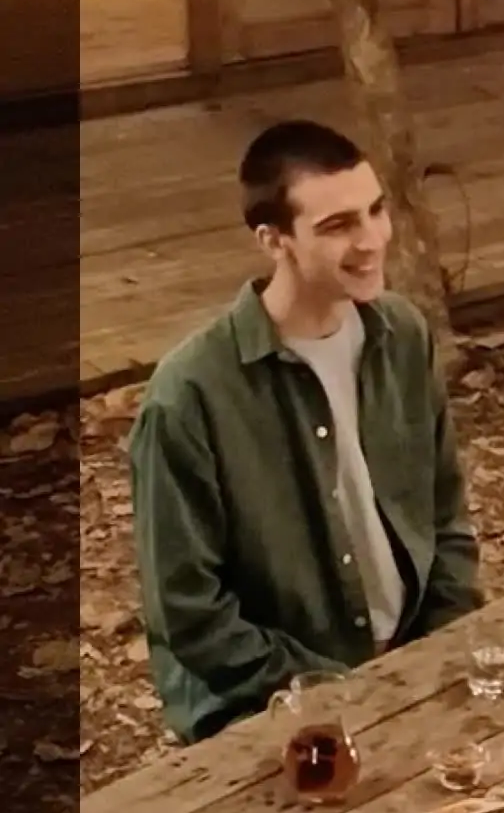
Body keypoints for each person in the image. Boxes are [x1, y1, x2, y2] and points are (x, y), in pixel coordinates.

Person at [129, 119, 481, 744]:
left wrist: (440, 648)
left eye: (375, 211)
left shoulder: (403, 334)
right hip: (265, 701)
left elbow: (445, 515)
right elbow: (189, 613)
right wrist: (340, 692)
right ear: (274, 240)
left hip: (413, 661)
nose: (371, 240)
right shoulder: (188, 396)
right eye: (338, 225)